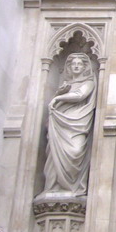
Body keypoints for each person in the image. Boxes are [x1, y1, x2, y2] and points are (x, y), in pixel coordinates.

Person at [43, 53, 97, 195]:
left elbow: (80, 95)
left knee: (76, 150)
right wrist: (58, 95)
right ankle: (53, 187)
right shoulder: (65, 86)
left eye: (79, 64)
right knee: (54, 154)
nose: (76, 66)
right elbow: (55, 105)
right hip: (60, 123)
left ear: (85, 66)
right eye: (74, 64)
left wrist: (58, 97)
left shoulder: (88, 83)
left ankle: (73, 186)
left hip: (78, 123)